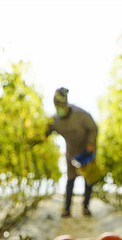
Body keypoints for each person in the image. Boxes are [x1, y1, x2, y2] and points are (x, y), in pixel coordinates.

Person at [46, 87, 98, 217]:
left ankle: (85, 206)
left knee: (89, 179)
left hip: (86, 151)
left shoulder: (81, 114)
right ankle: (67, 208)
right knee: (70, 179)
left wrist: (91, 143)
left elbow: (93, 128)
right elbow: (45, 131)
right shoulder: (55, 120)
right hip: (71, 152)